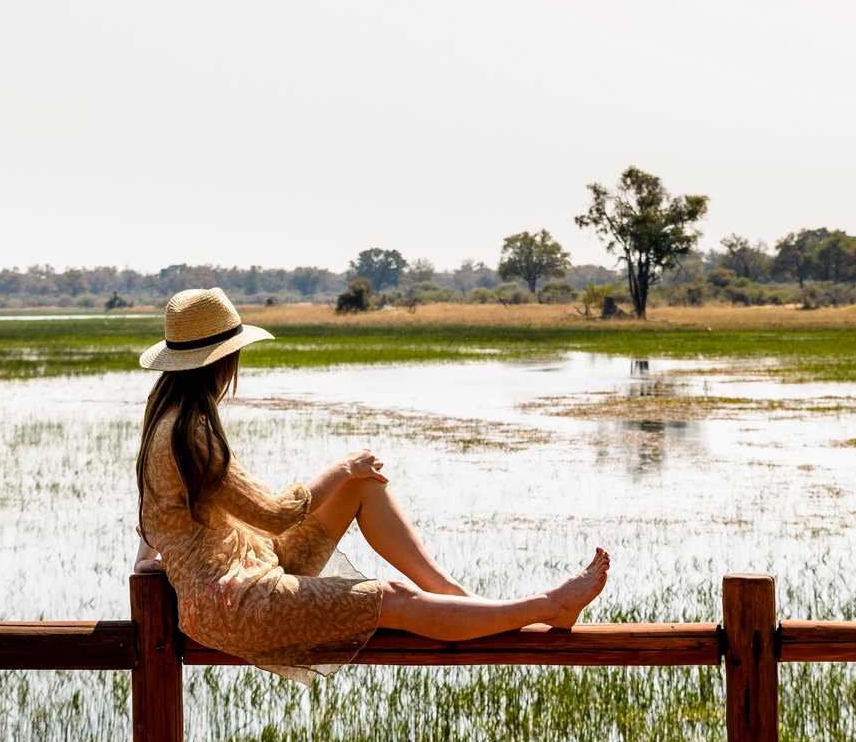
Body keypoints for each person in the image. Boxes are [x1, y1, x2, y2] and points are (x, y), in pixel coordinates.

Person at [133, 287, 610, 683]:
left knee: (363, 486)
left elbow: (153, 525)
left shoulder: (167, 421)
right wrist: (341, 465)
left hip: (244, 571)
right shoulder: (191, 433)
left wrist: (160, 561)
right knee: (394, 597)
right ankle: (548, 605)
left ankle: (456, 598)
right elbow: (275, 515)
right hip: (235, 604)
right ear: (222, 360)